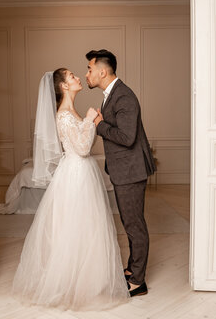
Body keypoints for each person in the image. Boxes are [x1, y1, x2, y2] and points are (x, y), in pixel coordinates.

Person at [12, 69, 130, 311]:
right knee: (77, 227)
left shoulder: (71, 111)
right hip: (76, 175)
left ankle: (87, 281)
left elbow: (83, 143)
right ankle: (73, 284)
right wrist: (89, 119)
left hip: (82, 172)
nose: (78, 78)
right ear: (64, 86)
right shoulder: (65, 115)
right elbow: (83, 148)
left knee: (87, 226)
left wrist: (87, 120)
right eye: (72, 76)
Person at [85, 49, 156, 297]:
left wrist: (99, 125)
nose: (87, 74)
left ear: (102, 71)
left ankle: (138, 281)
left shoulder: (123, 96)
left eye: (90, 69)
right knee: (129, 223)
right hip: (124, 170)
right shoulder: (111, 93)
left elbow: (127, 138)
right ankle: (132, 269)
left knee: (135, 225)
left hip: (131, 171)